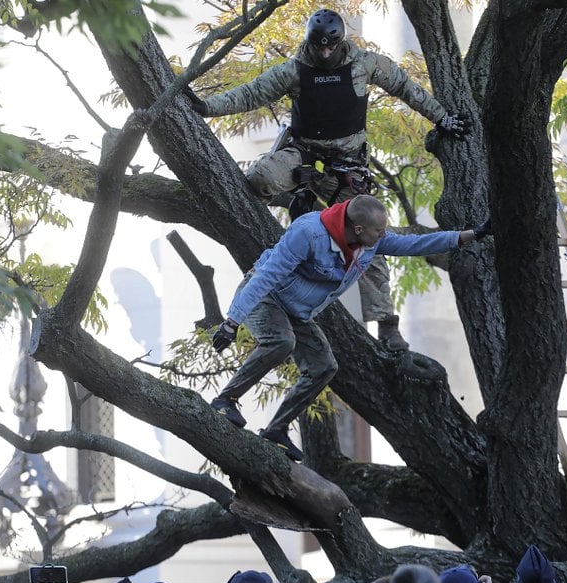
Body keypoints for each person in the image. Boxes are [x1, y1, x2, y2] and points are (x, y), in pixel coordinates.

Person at [186, 8, 468, 352]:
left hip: (348, 169)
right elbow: (250, 94)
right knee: (259, 178)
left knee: (373, 242)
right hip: (304, 157)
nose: (323, 53)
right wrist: (205, 107)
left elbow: (406, 87)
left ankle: (387, 324)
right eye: (318, 47)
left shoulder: (365, 64)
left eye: (329, 47)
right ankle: (293, 211)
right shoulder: (294, 70)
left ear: (339, 42)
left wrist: (443, 119)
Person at [210, 195, 490, 461]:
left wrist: (469, 235)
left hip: (297, 310)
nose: (383, 235)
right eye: (379, 230)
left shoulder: (368, 242)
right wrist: (232, 322)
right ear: (358, 228)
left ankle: (276, 430)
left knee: (324, 367)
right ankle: (225, 401)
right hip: (265, 296)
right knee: (282, 342)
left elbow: (413, 244)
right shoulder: (308, 232)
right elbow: (267, 276)